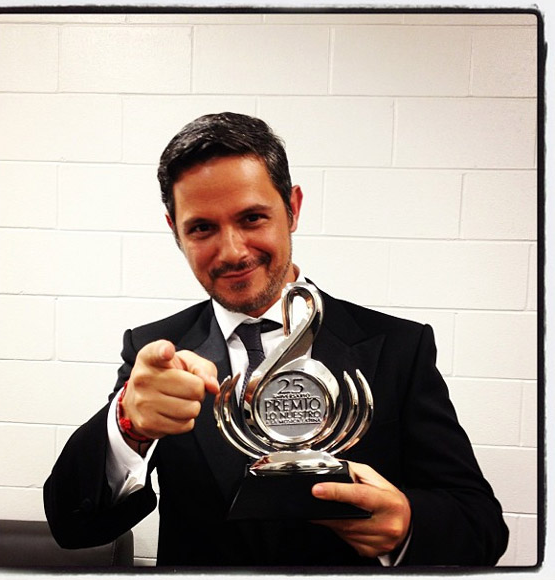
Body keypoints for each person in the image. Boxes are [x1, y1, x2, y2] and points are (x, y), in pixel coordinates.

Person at [44, 112, 509, 567]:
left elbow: (482, 526)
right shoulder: (155, 353)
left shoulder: (399, 348)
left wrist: (407, 524)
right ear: (175, 231)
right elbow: (73, 527)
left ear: (293, 208)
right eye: (202, 227)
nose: (232, 251)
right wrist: (129, 425)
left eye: (252, 218)